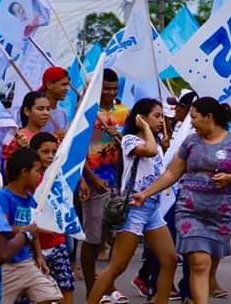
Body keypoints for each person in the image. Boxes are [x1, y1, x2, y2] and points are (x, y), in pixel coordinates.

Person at [131, 97, 231, 304]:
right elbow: (172, 173)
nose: (192, 122)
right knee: (199, 261)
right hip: (190, 209)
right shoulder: (191, 142)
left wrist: (230, 178)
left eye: (195, 117)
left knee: (208, 264)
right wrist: (146, 193)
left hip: (222, 213)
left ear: (209, 117)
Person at [87, 99, 178, 304]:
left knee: (170, 260)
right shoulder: (129, 139)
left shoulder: (154, 141)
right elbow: (150, 151)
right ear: (141, 118)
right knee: (117, 266)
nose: (160, 120)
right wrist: (145, 127)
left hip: (152, 208)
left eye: (162, 116)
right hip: (134, 208)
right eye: (157, 115)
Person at [80, 68, 129, 297]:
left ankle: (108, 284)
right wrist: (90, 178)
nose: (110, 92)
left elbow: (130, 146)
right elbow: (77, 150)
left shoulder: (124, 112)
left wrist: (119, 136)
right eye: (106, 88)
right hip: (94, 183)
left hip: (118, 183)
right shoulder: (87, 112)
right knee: (93, 238)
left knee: (116, 236)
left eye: (114, 88)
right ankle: (92, 289)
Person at [0, 147, 63, 304]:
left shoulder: (30, 199)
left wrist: (39, 256)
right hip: (7, 268)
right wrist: (25, 230)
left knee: (49, 297)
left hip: (26, 263)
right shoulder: (3, 198)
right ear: (24, 172)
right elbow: (4, 230)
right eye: (37, 171)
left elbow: (34, 231)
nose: (40, 175)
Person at [30, 132, 75, 304]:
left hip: (57, 244)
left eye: (53, 152)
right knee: (40, 294)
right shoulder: (29, 181)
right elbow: (27, 220)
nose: (50, 156)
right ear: (34, 153)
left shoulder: (59, 177)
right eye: (44, 151)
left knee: (66, 287)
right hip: (35, 248)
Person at [1, 91, 51, 168]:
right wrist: (18, 149)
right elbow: (6, 168)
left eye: (48, 109)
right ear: (27, 111)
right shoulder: (14, 138)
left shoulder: (51, 137)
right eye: (40, 109)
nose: (46, 113)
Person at [39, 67, 70, 140]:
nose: (67, 89)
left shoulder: (63, 112)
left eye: (67, 85)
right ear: (49, 85)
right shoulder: (35, 111)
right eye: (63, 85)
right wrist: (51, 137)